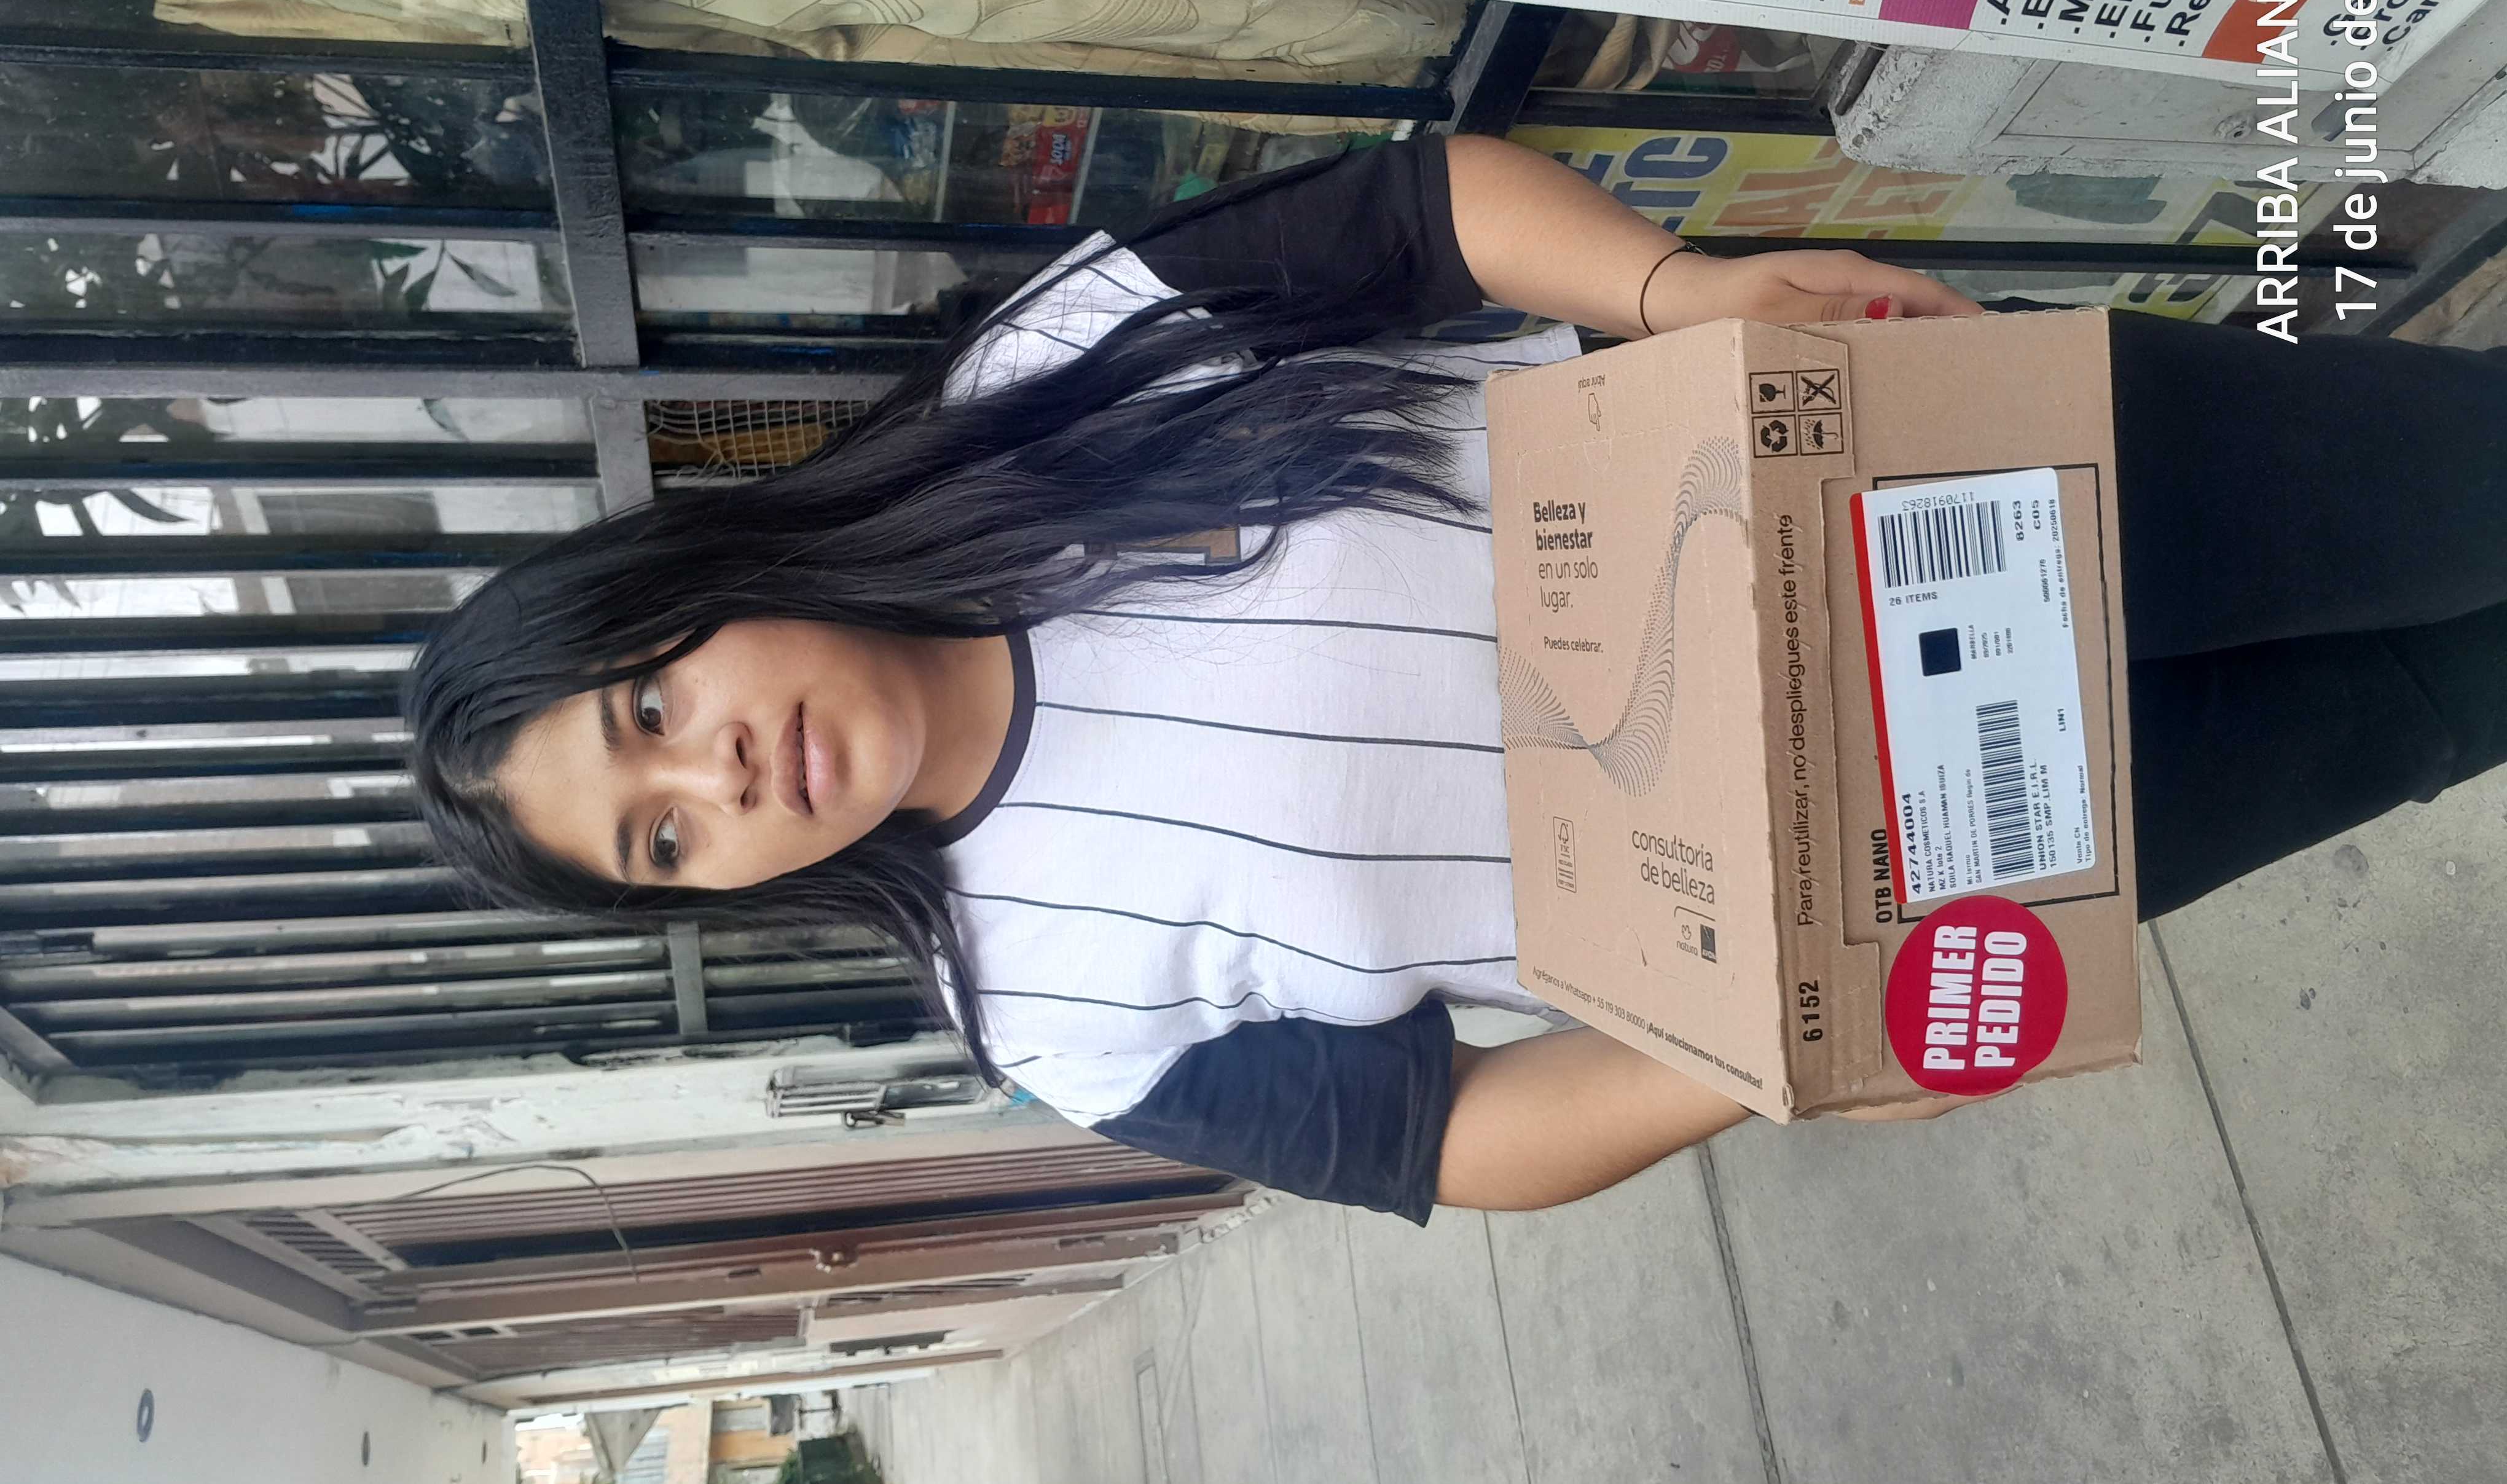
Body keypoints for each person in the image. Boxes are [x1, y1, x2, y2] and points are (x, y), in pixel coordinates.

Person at [409, 135, 2507, 1223]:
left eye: (646, 710)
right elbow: (1458, 1137)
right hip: (1940, 846)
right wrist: (1804, 1010)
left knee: (2461, 489)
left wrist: (1681, 289)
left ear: (681, 585)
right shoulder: (1049, 1015)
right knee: (2444, 705)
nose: (718, 779)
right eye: (661, 842)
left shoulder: (1049, 378)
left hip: (1919, 484)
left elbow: (1419, 219)